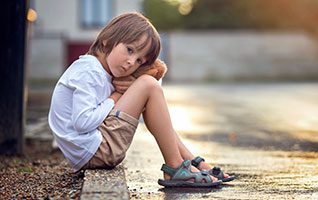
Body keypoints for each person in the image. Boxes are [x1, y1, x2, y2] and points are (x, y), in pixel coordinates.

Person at [48, 12, 234, 187]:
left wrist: (133, 90)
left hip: (93, 150)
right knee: (147, 84)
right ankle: (176, 166)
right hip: (95, 152)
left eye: (139, 61)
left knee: (148, 86)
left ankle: (190, 161)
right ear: (106, 40)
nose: (131, 62)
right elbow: (82, 122)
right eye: (130, 50)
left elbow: (155, 111)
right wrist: (115, 96)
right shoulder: (89, 71)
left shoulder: (102, 71)